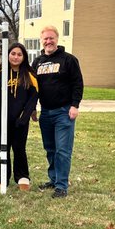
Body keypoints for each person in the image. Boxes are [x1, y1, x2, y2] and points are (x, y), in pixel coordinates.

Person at [32, 25, 83, 198]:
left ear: (57, 39)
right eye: (45, 38)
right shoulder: (37, 62)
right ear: (42, 41)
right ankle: (53, 179)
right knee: (50, 149)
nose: (48, 41)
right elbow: (33, 88)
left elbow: (78, 83)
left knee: (63, 150)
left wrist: (75, 105)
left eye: (51, 38)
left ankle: (61, 186)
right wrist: (33, 108)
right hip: (45, 113)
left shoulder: (68, 60)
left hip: (64, 112)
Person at [3, 42, 39, 191]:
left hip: (21, 120)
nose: (16, 57)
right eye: (13, 53)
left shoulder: (29, 75)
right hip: (2, 120)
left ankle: (22, 177)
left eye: (19, 54)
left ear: (24, 57)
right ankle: (2, 178)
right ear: (8, 54)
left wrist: (24, 118)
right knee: (3, 148)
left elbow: (33, 98)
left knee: (19, 148)